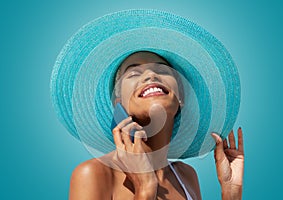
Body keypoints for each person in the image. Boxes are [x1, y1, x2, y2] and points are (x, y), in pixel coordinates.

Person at [50, 9, 243, 200]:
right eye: (133, 73)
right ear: (119, 104)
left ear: (180, 97)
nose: (151, 75)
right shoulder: (95, 174)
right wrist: (145, 189)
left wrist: (231, 192)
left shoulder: (186, 176)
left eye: (162, 70)